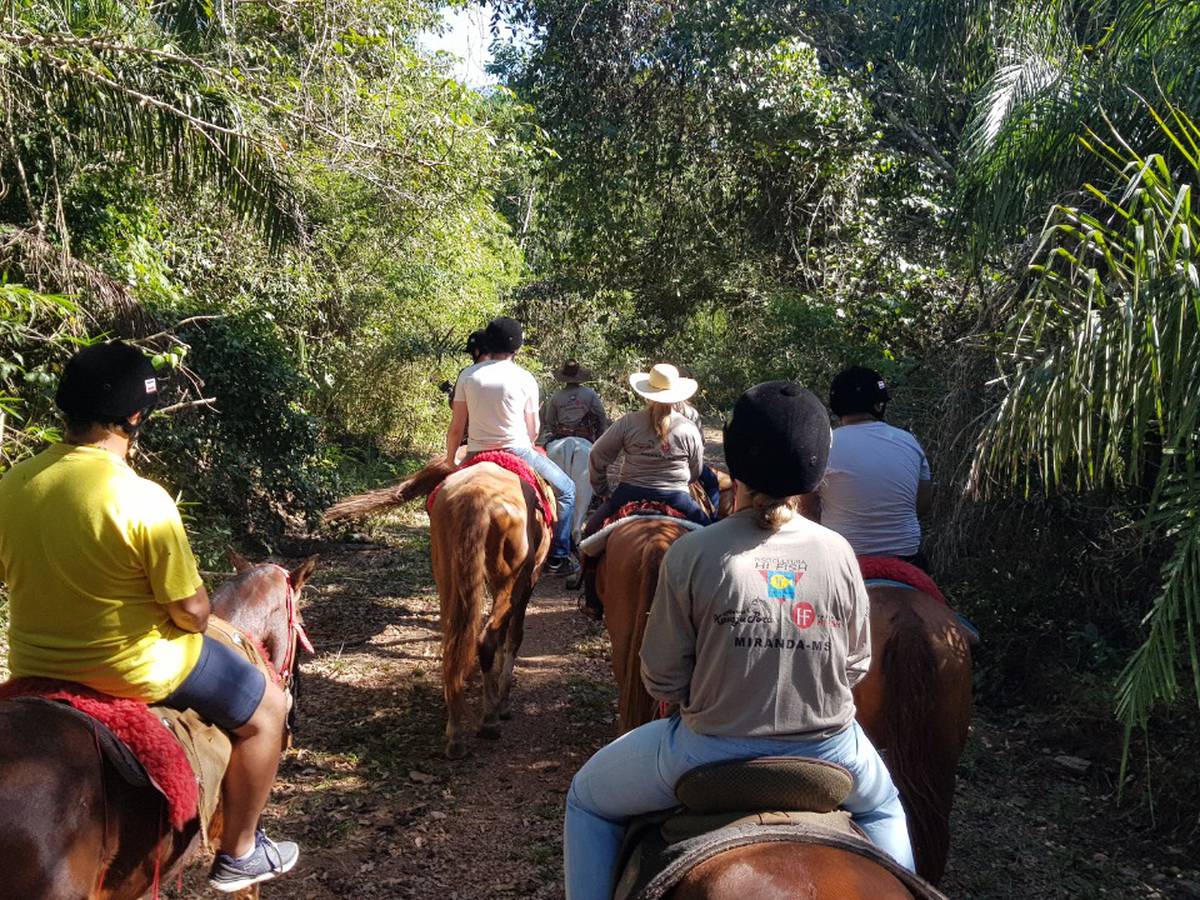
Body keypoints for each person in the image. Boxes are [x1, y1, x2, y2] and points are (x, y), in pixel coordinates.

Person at [562, 382, 914, 900]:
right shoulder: (840, 552)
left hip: (705, 751)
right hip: (830, 750)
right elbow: (855, 666)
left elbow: (660, 676)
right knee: (886, 809)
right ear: (814, 469)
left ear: (739, 464)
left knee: (586, 800)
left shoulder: (695, 551)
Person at [0, 342, 298, 893]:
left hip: (33, 664)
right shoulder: (142, 497)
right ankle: (240, 850)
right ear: (136, 417)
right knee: (267, 707)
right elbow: (191, 612)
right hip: (137, 671)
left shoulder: (14, 484)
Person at [445, 317, 578, 575]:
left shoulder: (468, 376)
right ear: (516, 347)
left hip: (476, 453)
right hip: (517, 451)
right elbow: (534, 430)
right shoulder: (525, 378)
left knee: (438, 496)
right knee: (568, 491)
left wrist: (451, 461)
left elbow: (456, 427)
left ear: (488, 343)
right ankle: (559, 556)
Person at [817, 366, 932, 570]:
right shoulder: (909, 441)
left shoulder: (825, 444)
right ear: (878, 405)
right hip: (906, 555)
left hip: (841, 560)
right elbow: (922, 503)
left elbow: (806, 509)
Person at [582, 364, 707, 537]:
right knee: (709, 530)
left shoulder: (628, 422)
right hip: (677, 497)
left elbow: (597, 453)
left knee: (589, 533)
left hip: (629, 493)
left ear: (647, 393)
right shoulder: (688, 428)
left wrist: (603, 490)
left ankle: (581, 563)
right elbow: (696, 470)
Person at [541, 360, 609, 444]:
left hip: (562, 435)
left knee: (546, 449)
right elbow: (601, 415)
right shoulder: (590, 394)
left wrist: (555, 432)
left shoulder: (556, 396)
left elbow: (549, 420)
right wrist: (599, 436)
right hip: (585, 436)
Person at [439, 329, 488, 409]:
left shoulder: (466, 374)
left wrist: (453, 393)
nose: (471, 357)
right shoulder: (506, 373)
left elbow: (454, 405)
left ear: (477, 352)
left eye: (471, 353)